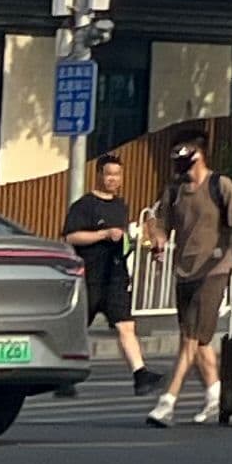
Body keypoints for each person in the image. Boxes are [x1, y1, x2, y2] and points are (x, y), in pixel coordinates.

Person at [144, 137, 232, 427]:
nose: (183, 171)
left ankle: (167, 401)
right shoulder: (174, 190)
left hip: (214, 268)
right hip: (185, 270)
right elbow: (163, 224)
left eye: (187, 164)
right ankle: (216, 395)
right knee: (199, 338)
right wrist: (159, 242)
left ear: (200, 157)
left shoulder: (220, 185)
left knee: (189, 338)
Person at [62, 151, 151, 392]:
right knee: (79, 328)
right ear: (99, 175)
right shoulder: (84, 205)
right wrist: (103, 234)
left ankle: (140, 374)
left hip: (115, 276)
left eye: (117, 174)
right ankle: (64, 377)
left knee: (125, 325)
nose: (113, 179)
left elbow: (122, 236)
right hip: (90, 275)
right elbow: (71, 236)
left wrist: (130, 240)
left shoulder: (121, 205)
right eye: (108, 174)